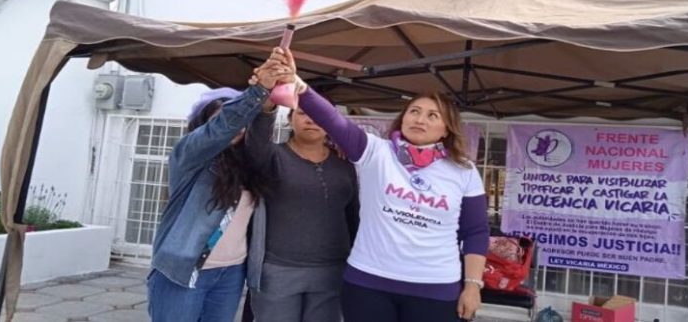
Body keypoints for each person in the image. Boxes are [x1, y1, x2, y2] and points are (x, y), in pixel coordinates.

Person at [251, 48, 490, 322]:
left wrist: (472, 285)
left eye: (432, 115)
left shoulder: (463, 170)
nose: (420, 119)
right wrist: (298, 84)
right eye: (414, 111)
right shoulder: (377, 152)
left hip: (436, 288)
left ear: (447, 129)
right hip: (369, 284)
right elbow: (334, 121)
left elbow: (476, 231)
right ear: (403, 118)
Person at [147, 58, 291, 322]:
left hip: (231, 273)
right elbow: (222, 128)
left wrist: (267, 104)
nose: (235, 128)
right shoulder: (189, 157)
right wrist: (258, 90)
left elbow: (260, 137)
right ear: (205, 124)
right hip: (184, 269)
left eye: (241, 122)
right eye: (221, 120)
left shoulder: (247, 164)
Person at [243, 97, 360, 322]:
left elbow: (352, 216)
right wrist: (267, 109)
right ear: (290, 119)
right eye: (303, 113)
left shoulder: (344, 165)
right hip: (278, 270)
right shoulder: (273, 156)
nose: (311, 120)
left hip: (332, 270)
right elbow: (255, 143)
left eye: (320, 115)